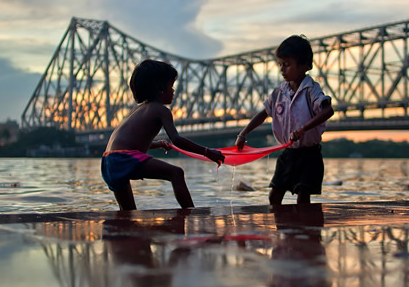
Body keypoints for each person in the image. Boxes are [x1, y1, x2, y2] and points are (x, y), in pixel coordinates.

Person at [101, 59, 224, 210]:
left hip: (108, 161)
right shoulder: (161, 110)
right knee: (176, 173)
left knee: (128, 213)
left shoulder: (136, 110)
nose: (173, 91)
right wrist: (207, 152)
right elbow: (177, 139)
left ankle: (125, 231)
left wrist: (157, 144)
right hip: (123, 159)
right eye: (171, 86)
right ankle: (191, 213)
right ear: (160, 88)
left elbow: (131, 143)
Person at [235, 35, 334, 205]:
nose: (282, 69)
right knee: (274, 195)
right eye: (280, 64)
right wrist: (244, 132)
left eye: (287, 65)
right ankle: (281, 230)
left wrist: (303, 129)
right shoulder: (278, 92)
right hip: (288, 153)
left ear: (305, 66)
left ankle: (305, 230)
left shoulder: (312, 89)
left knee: (304, 195)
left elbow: (328, 110)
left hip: (310, 155)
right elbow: (264, 113)